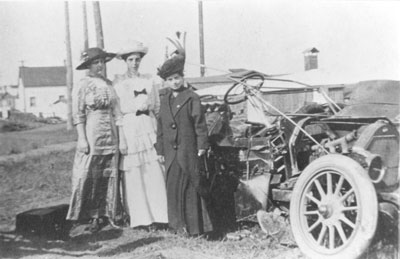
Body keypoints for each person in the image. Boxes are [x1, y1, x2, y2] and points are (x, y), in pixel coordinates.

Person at [155, 34, 213, 236]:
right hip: (170, 154)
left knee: (190, 188)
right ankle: (177, 226)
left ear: (183, 77)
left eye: (177, 78)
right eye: (170, 80)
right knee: (173, 189)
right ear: (166, 82)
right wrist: (160, 150)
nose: (174, 82)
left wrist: (202, 146)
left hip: (188, 151)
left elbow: (200, 124)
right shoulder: (164, 100)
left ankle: (195, 228)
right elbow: (161, 128)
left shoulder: (192, 98)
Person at [66, 47, 122, 232]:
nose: (100, 66)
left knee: (108, 172)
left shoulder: (109, 84)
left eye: (102, 62)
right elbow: (78, 114)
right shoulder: (83, 85)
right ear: (88, 65)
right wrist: (82, 138)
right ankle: (85, 215)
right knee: (88, 172)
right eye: (95, 62)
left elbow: (116, 111)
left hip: (111, 132)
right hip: (92, 132)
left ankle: (104, 214)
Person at [113, 41, 168, 229]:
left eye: (137, 59)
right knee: (136, 173)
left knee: (154, 170)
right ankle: (141, 218)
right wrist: (122, 139)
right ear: (125, 61)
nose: (134, 63)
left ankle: (160, 215)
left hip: (149, 125)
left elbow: (158, 107)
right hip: (130, 128)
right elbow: (118, 114)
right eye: (130, 59)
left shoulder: (149, 80)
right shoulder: (119, 83)